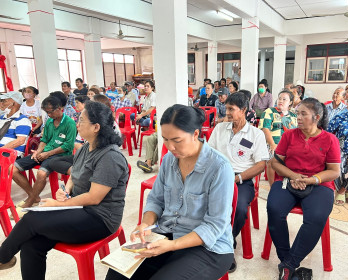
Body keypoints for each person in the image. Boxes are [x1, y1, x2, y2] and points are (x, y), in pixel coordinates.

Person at [0, 101, 129, 280]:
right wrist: (65, 190)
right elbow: (75, 176)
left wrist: (60, 203)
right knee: (31, 245)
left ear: (96, 127)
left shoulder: (110, 156)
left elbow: (94, 198)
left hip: (100, 218)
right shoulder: (85, 147)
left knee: (31, 219)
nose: (77, 124)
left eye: (81, 120)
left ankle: (2, 258)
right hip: (78, 209)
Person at [105, 104, 234, 280]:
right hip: (167, 234)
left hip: (209, 248)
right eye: (165, 139)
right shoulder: (168, 161)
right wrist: (145, 224)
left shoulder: (219, 167)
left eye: (177, 140)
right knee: (117, 275)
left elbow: (215, 226)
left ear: (195, 134)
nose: (170, 146)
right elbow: (156, 200)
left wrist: (172, 246)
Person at [268, 98, 341, 280]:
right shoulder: (289, 135)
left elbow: (334, 171)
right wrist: (294, 176)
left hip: (318, 183)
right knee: (274, 209)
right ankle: (287, 260)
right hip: (289, 179)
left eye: (303, 114)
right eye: (297, 113)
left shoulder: (330, 139)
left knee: (316, 216)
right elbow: (275, 163)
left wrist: (312, 180)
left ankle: (289, 265)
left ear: (316, 117)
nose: (298, 117)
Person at [208, 92, 268, 272]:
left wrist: (238, 178)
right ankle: (207, 240)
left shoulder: (255, 134)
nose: (227, 113)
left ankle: (226, 246)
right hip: (219, 176)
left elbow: (261, 164)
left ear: (243, 110)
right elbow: (209, 153)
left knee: (239, 208)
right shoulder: (220, 129)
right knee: (201, 200)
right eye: (226, 109)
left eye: (231, 109)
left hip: (242, 179)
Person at [11, 94, 77, 211]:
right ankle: (34, 197)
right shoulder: (50, 122)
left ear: (59, 109)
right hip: (45, 152)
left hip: (60, 155)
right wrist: (38, 152)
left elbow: (68, 145)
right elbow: (44, 140)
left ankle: (30, 202)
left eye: (50, 112)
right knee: (12, 169)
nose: (49, 115)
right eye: (47, 112)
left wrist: (48, 154)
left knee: (41, 174)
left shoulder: (70, 123)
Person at [259, 90, 297, 187]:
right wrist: (272, 144)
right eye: (280, 98)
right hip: (273, 143)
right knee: (272, 160)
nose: (281, 101)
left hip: (291, 146)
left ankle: (290, 184)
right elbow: (265, 129)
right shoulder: (269, 111)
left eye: (284, 99)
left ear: (290, 102)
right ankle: (273, 187)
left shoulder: (293, 115)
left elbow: (297, 131)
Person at [0, 91, 32, 157]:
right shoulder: (1, 118)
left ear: (14, 103)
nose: (1, 103)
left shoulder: (23, 120)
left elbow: (20, 141)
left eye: (4, 101)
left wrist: (1, 150)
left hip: (11, 152)